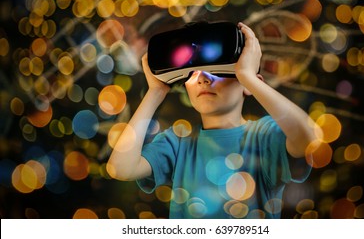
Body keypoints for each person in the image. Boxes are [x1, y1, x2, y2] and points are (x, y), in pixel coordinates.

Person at [107, 22, 320, 219]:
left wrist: (248, 75)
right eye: (192, 73)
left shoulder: (264, 136)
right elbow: (120, 169)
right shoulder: (178, 143)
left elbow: (307, 138)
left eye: (217, 71)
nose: (203, 78)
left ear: (250, 85)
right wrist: (155, 92)